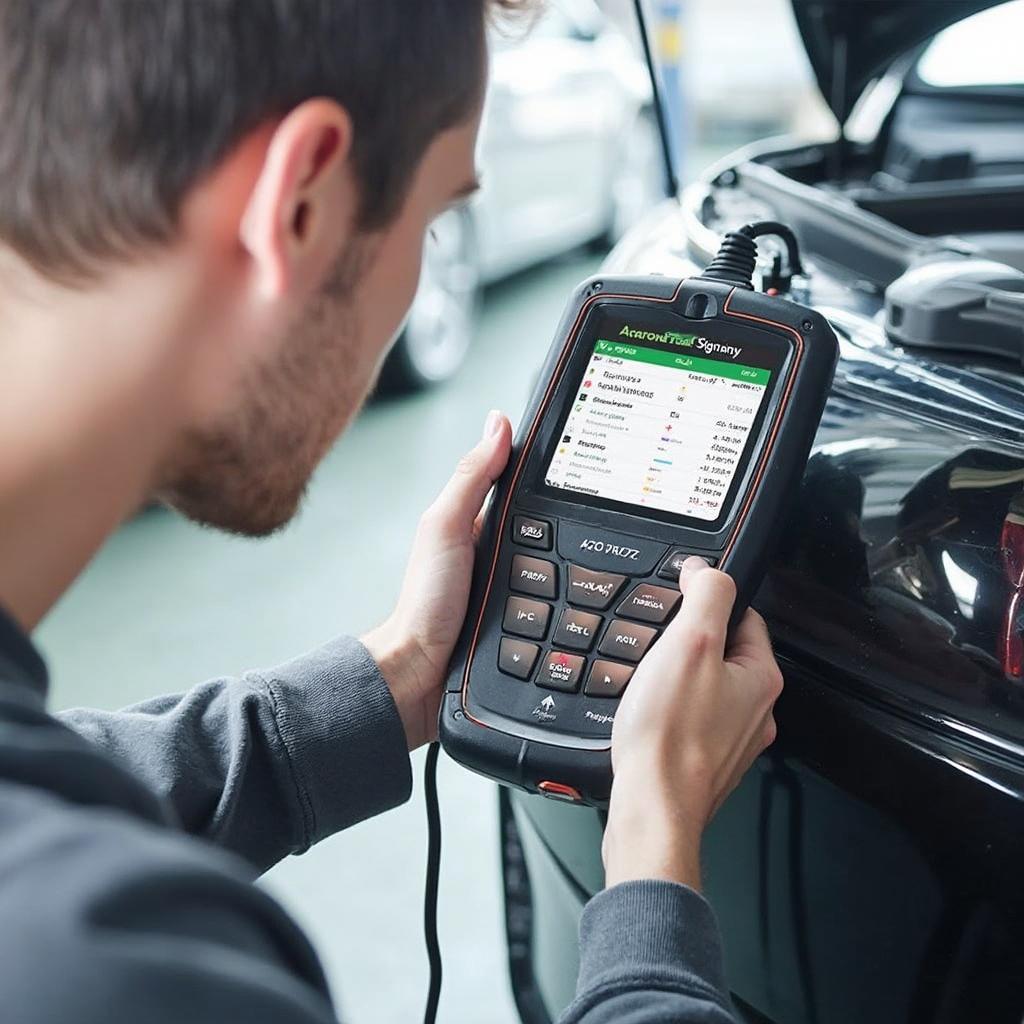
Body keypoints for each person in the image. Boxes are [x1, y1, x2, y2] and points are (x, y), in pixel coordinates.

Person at [0, 2, 783, 1021]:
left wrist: (407, 672)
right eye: (434, 215)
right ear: (301, 201)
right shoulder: (125, 970)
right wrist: (650, 855)